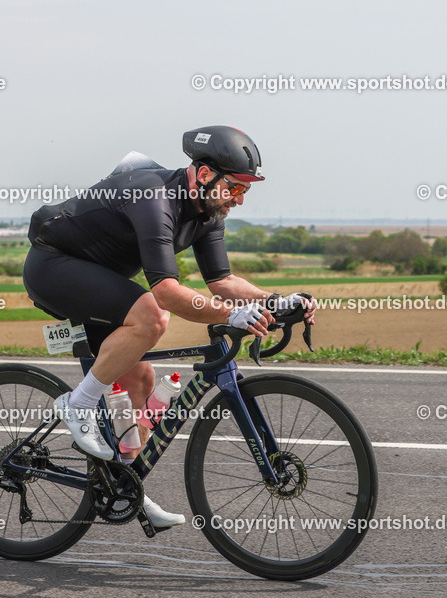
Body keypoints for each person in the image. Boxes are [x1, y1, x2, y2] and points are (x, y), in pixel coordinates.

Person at [23, 125, 316, 528]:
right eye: (233, 187)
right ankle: (77, 404)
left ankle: (126, 488)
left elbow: (223, 283)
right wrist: (230, 315)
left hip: (103, 281)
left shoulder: (208, 212)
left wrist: (275, 301)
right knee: (151, 317)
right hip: (54, 266)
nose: (238, 200)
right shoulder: (155, 197)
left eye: (245, 191)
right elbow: (165, 292)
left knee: (141, 380)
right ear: (201, 174)